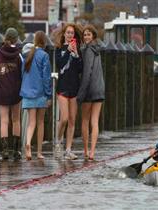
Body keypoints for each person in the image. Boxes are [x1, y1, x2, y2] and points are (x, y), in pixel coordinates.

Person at [20, 31, 52, 160]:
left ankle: (27, 143)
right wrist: (48, 95)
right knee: (40, 123)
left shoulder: (27, 54)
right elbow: (46, 77)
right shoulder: (44, 55)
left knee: (31, 123)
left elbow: (22, 74)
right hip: (40, 93)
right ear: (44, 42)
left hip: (27, 93)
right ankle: (39, 152)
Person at [0, 27, 23, 160]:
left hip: (2, 91)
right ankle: (16, 151)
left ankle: (4, 151)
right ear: (16, 39)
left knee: (4, 120)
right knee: (16, 120)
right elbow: (22, 74)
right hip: (16, 92)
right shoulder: (19, 55)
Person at [54, 23, 83, 160]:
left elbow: (80, 69)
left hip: (74, 87)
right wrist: (67, 51)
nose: (70, 34)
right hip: (62, 87)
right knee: (64, 118)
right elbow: (59, 64)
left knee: (72, 120)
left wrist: (76, 54)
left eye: (72, 33)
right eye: (68, 32)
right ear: (64, 34)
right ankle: (58, 142)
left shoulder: (78, 49)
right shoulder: (59, 48)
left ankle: (68, 149)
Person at [77, 25, 105, 161]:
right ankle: (93, 151)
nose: (86, 37)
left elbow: (87, 73)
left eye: (88, 34)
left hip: (89, 90)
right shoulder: (98, 49)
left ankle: (86, 151)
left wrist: (81, 94)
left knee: (85, 120)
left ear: (93, 36)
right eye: (84, 35)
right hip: (99, 88)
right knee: (95, 121)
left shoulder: (88, 50)